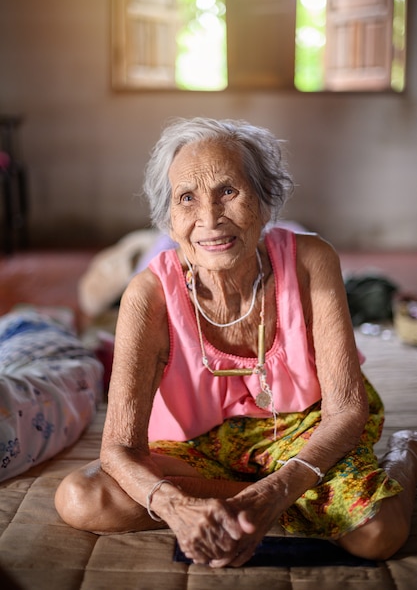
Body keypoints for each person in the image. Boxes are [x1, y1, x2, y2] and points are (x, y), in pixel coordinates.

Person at [55, 117, 417, 568]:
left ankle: (407, 451)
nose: (209, 219)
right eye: (187, 198)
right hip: (195, 446)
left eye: (228, 192)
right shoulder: (148, 295)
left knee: (379, 534)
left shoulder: (311, 261)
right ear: (169, 219)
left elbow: (346, 410)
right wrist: (175, 506)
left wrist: (276, 491)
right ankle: (285, 505)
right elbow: (118, 450)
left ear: (266, 203)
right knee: (81, 498)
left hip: (303, 428)